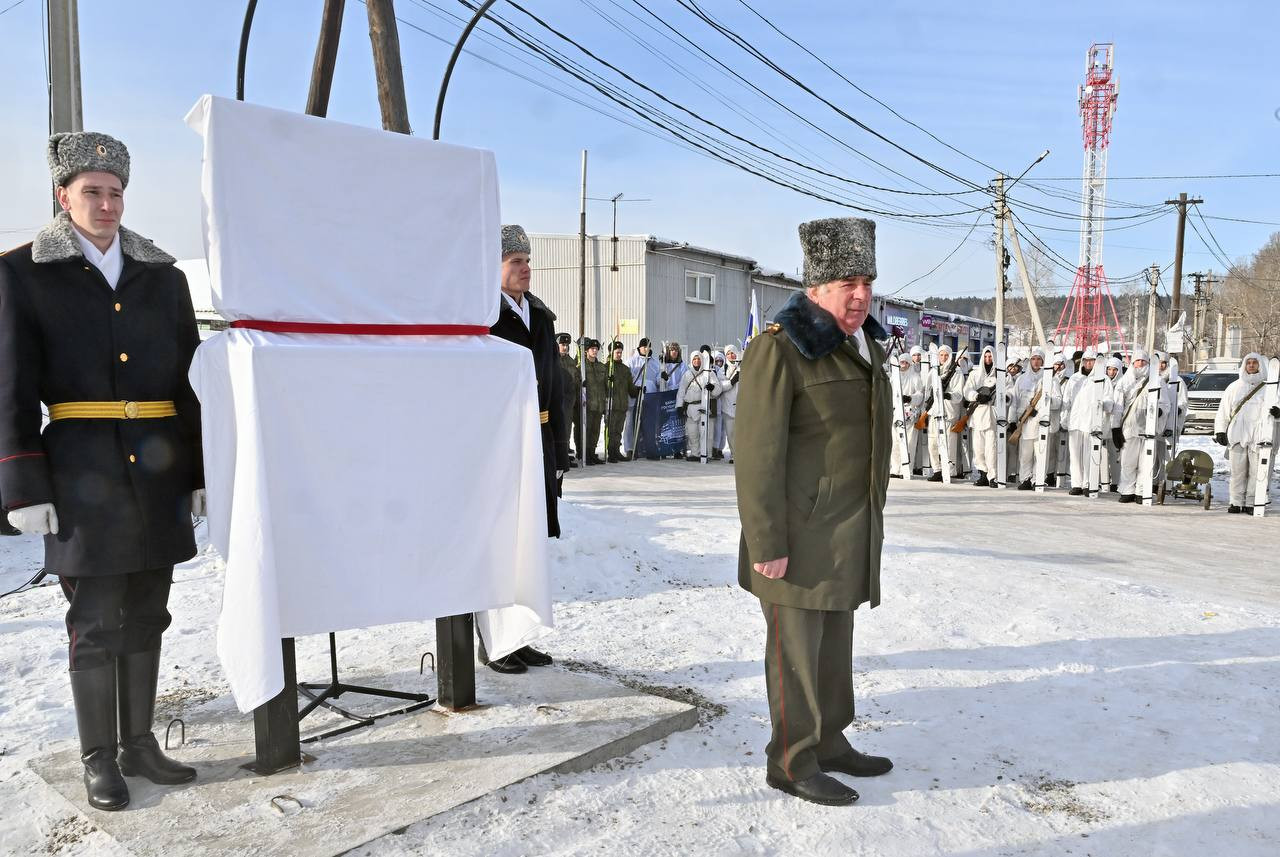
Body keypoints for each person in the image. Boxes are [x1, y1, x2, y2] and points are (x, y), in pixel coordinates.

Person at [0, 133, 203, 811]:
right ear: (64, 197)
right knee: (94, 616)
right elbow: (10, 386)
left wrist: (199, 471)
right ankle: (98, 756)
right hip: (80, 469)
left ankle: (140, 742)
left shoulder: (163, 277)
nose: (108, 204)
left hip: (159, 469)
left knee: (150, 607)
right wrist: (23, 484)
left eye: (116, 192)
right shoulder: (24, 273)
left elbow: (189, 384)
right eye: (93, 191)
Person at [735, 216, 893, 807]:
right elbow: (756, 455)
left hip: (848, 530)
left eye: (868, 282)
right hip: (796, 537)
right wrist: (766, 541)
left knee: (833, 647)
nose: (861, 296)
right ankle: (792, 760)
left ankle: (829, 741)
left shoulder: (864, 344)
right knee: (796, 655)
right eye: (848, 282)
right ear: (816, 287)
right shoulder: (781, 349)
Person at [483, 224, 565, 672]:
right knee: (500, 544)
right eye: (515, 261)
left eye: (527, 260)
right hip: (503, 445)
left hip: (538, 439)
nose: (525, 268)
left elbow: (556, 391)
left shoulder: (541, 316)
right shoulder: (485, 318)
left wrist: (559, 454)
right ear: (493, 267)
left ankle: (520, 635)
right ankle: (494, 641)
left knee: (528, 544)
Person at [1214, 353, 1279, 513]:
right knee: (1237, 472)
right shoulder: (1234, 387)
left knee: (1256, 473)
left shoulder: (1270, 388)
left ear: (1260, 365)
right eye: (1248, 362)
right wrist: (1220, 431)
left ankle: (1252, 502)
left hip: (1259, 437)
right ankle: (1236, 502)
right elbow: (1223, 411)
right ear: (1244, 365)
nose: (1251, 365)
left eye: (1254, 362)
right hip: (1237, 435)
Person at [1111, 348, 1161, 504]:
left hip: (1148, 428)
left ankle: (1141, 491)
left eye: (1143, 361)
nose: (1140, 364)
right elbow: (1118, 406)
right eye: (1137, 361)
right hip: (1129, 428)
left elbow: (1165, 403)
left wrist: (1159, 411)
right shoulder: (1124, 382)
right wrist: (1115, 428)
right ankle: (1127, 490)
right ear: (1133, 363)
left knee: (1145, 463)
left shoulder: (1156, 381)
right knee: (1128, 462)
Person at [1011, 348, 1059, 490]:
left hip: (1041, 423)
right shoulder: (1021, 379)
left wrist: (1045, 403)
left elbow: (1058, 402)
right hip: (1025, 423)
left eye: (1039, 359)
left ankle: (1037, 479)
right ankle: (1025, 479)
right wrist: (1012, 420)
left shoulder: (1051, 379)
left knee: (1040, 453)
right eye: (1033, 359)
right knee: (1025, 454)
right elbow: (1014, 401)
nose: (1036, 362)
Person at [1063, 348, 1101, 495]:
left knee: (1088, 455)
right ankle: (1076, 484)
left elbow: (1107, 400)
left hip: (1090, 423)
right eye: (1086, 361)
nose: (1088, 363)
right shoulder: (1074, 379)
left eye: (1091, 361)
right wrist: (1064, 419)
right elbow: (1067, 401)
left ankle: (1087, 483)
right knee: (1074, 455)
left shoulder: (1100, 379)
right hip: (1075, 422)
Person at [925, 344, 964, 482]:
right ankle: (937, 469)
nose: (943, 358)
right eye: (941, 355)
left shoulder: (957, 372)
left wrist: (948, 395)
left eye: (946, 355)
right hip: (934, 412)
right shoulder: (933, 371)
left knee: (948, 444)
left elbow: (959, 394)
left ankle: (949, 470)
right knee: (933, 443)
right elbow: (927, 391)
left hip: (948, 412)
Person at [962, 345, 998, 486]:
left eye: (990, 357)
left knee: (991, 449)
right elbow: (967, 390)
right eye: (986, 356)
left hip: (991, 416)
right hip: (977, 416)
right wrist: (976, 396)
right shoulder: (975, 374)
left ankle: (992, 476)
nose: (988, 359)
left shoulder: (1000, 375)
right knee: (978, 449)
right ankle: (982, 474)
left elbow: (1008, 393)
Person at [679, 349, 722, 462]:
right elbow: (681, 391)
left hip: (704, 407)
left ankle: (706, 454)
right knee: (693, 433)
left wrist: (712, 388)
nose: (696, 361)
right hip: (691, 408)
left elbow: (718, 389)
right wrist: (679, 406)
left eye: (698, 359)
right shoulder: (687, 375)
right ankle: (695, 453)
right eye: (694, 359)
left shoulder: (709, 373)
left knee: (706, 433)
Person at [623, 337, 660, 459]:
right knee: (630, 424)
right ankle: (630, 448)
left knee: (648, 424)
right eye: (644, 346)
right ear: (639, 347)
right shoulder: (632, 361)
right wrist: (635, 388)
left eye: (648, 346)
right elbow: (627, 379)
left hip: (650, 397)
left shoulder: (655, 363)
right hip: (635, 396)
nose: (646, 349)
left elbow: (658, 380)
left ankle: (648, 448)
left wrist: (663, 378)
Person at [605, 341, 640, 463]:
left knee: (618, 430)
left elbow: (630, 387)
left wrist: (637, 390)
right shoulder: (606, 367)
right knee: (611, 430)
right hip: (611, 405)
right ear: (611, 352)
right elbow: (602, 386)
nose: (619, 355)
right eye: (617, 352)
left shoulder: (625, 369)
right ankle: (611, 452)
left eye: (620, 352)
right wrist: (608, 381)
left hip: (622, 405)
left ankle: (616, 451)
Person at [556, 333, 580, 467]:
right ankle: (560, 457)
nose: (565, 347)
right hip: (558, 400)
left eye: (566, 345)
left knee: (567, 429)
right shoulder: (553, 360)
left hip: (570, 401)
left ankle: (564, 453)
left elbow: (575, 378)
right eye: (562, 345)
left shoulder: (571, 362)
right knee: (559, 429)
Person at [582, 339, 607, 465]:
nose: (595, 351)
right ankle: (586, 454)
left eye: (596, 349)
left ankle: (592, 452)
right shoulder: (582, 366)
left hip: (599, 404)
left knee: (596, 431)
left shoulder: (602, 367)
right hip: (588, 404)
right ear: (587, 350)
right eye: (592, 349)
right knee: (587, 430)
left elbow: (605, 386)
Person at [720, 345, 742, 462]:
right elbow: (720, 386)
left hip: (742, 405)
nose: (731, 355)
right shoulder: (722, 369)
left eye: (732, 353)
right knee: (731, 433)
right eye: (728, 354)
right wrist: (732, 382)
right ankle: (734, 454)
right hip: (728, 406)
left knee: (742, 433)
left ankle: (742, 454)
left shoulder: (743, 367)